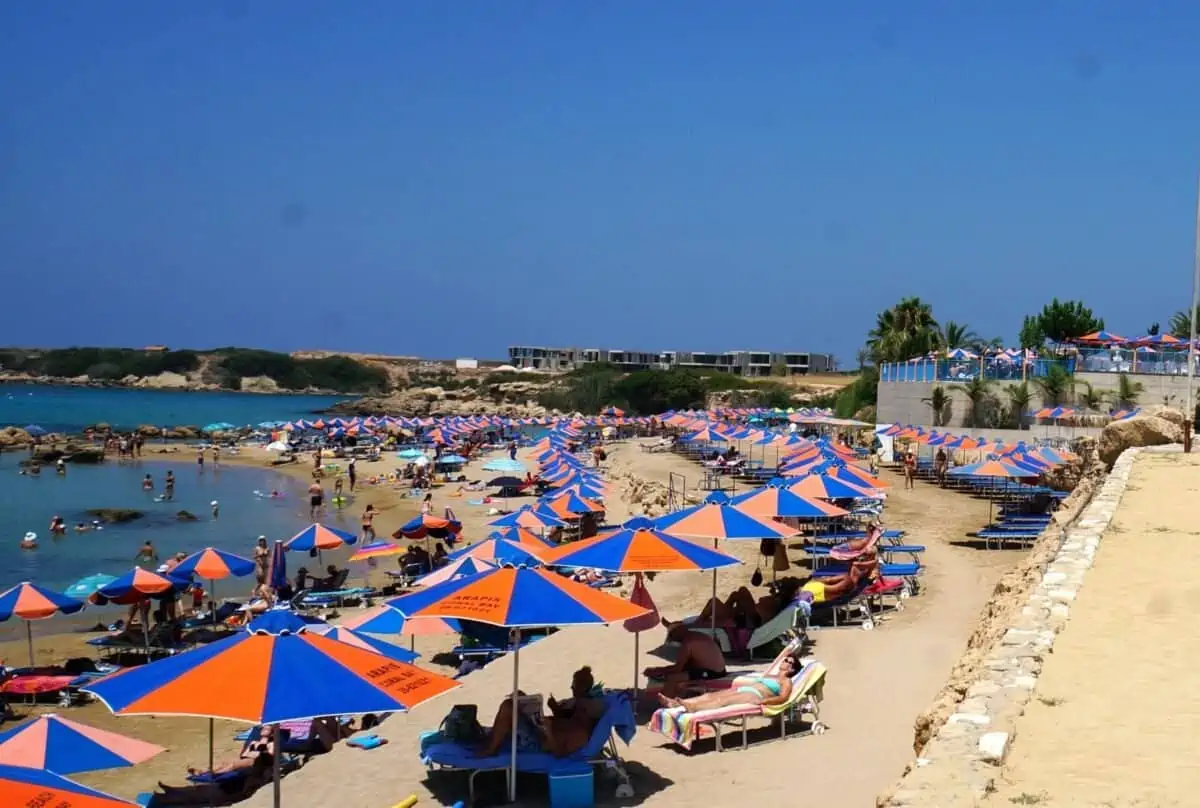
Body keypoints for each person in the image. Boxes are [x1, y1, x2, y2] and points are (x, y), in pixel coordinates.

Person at [478, 666, 605, 758]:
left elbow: (558, 753)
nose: (571, 687)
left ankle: (492, 749)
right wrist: (554, 712)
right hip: (539, 731)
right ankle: (492, 741)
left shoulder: (580, 735)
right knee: (518, 697)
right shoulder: (576, 715)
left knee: (508, 707)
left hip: (537, 742)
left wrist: (548, 730)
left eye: (574, 684)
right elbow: (563, 721)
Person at [658, 655, 798, 711]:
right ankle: (676, 703)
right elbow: (783, 654)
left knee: (720, 701)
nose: (784, 661)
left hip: (754, 695)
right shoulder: (771, 674)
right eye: (785, 659)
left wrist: (765, 701)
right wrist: (789, 651)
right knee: (710, 696)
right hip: (744, 690)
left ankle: (692, 708)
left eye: (788, 661)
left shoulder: (786, 681)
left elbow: (783, 698)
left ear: (791, 668)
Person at [666, 578, 802, 631]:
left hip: (751, 620)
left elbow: (762, 605)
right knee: (738, 593)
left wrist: (771, 596)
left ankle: (691, 625)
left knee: (714, 602)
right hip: (750, 615)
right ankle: (723, 611)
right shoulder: (780, 601)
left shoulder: (777, 601)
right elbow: (762, 603)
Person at [644, 624, 728, 697]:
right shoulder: (696, 635)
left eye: (672, 636)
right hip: (717, 669)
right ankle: (680, 696)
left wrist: (657, 670)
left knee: (672, 678)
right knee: (682, 673)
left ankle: (666, 704)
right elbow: (684, 665)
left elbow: (677, 669)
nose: (674, 640)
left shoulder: (688, 642)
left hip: (712, 672)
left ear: (676, 633)